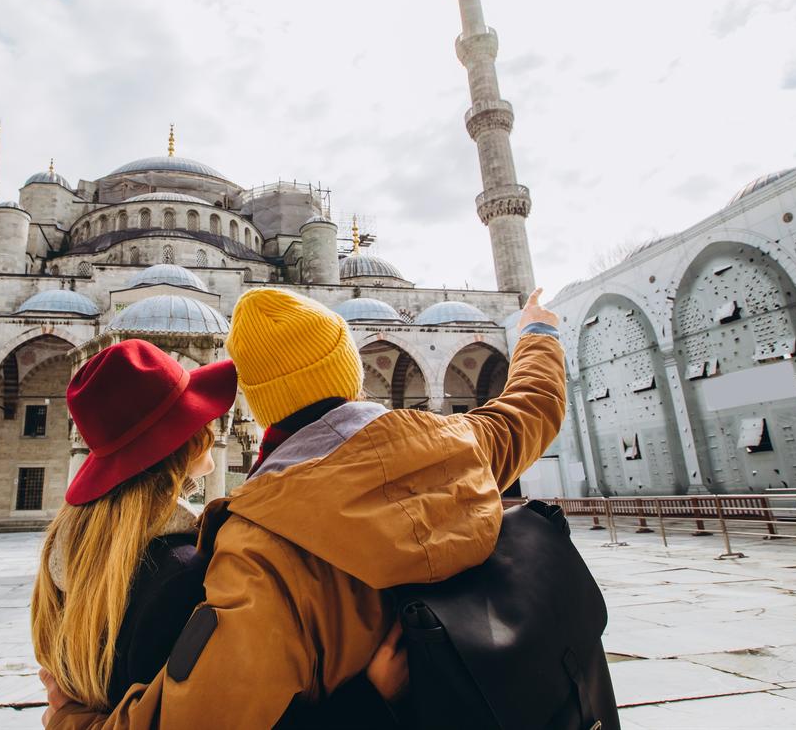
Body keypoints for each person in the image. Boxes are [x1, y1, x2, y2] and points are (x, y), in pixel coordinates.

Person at [45, 287, 565, 729]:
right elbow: (533, 406)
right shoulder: (461, 444)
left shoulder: (258, 547)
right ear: (350, 372)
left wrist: (69, 715)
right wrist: (537, 334)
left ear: (261, 405)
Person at [31, 339, 405, 729]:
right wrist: (373, 696)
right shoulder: (183, 574)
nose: (212, 422)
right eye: (200, 413)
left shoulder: (70, 557)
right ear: (185, 439)